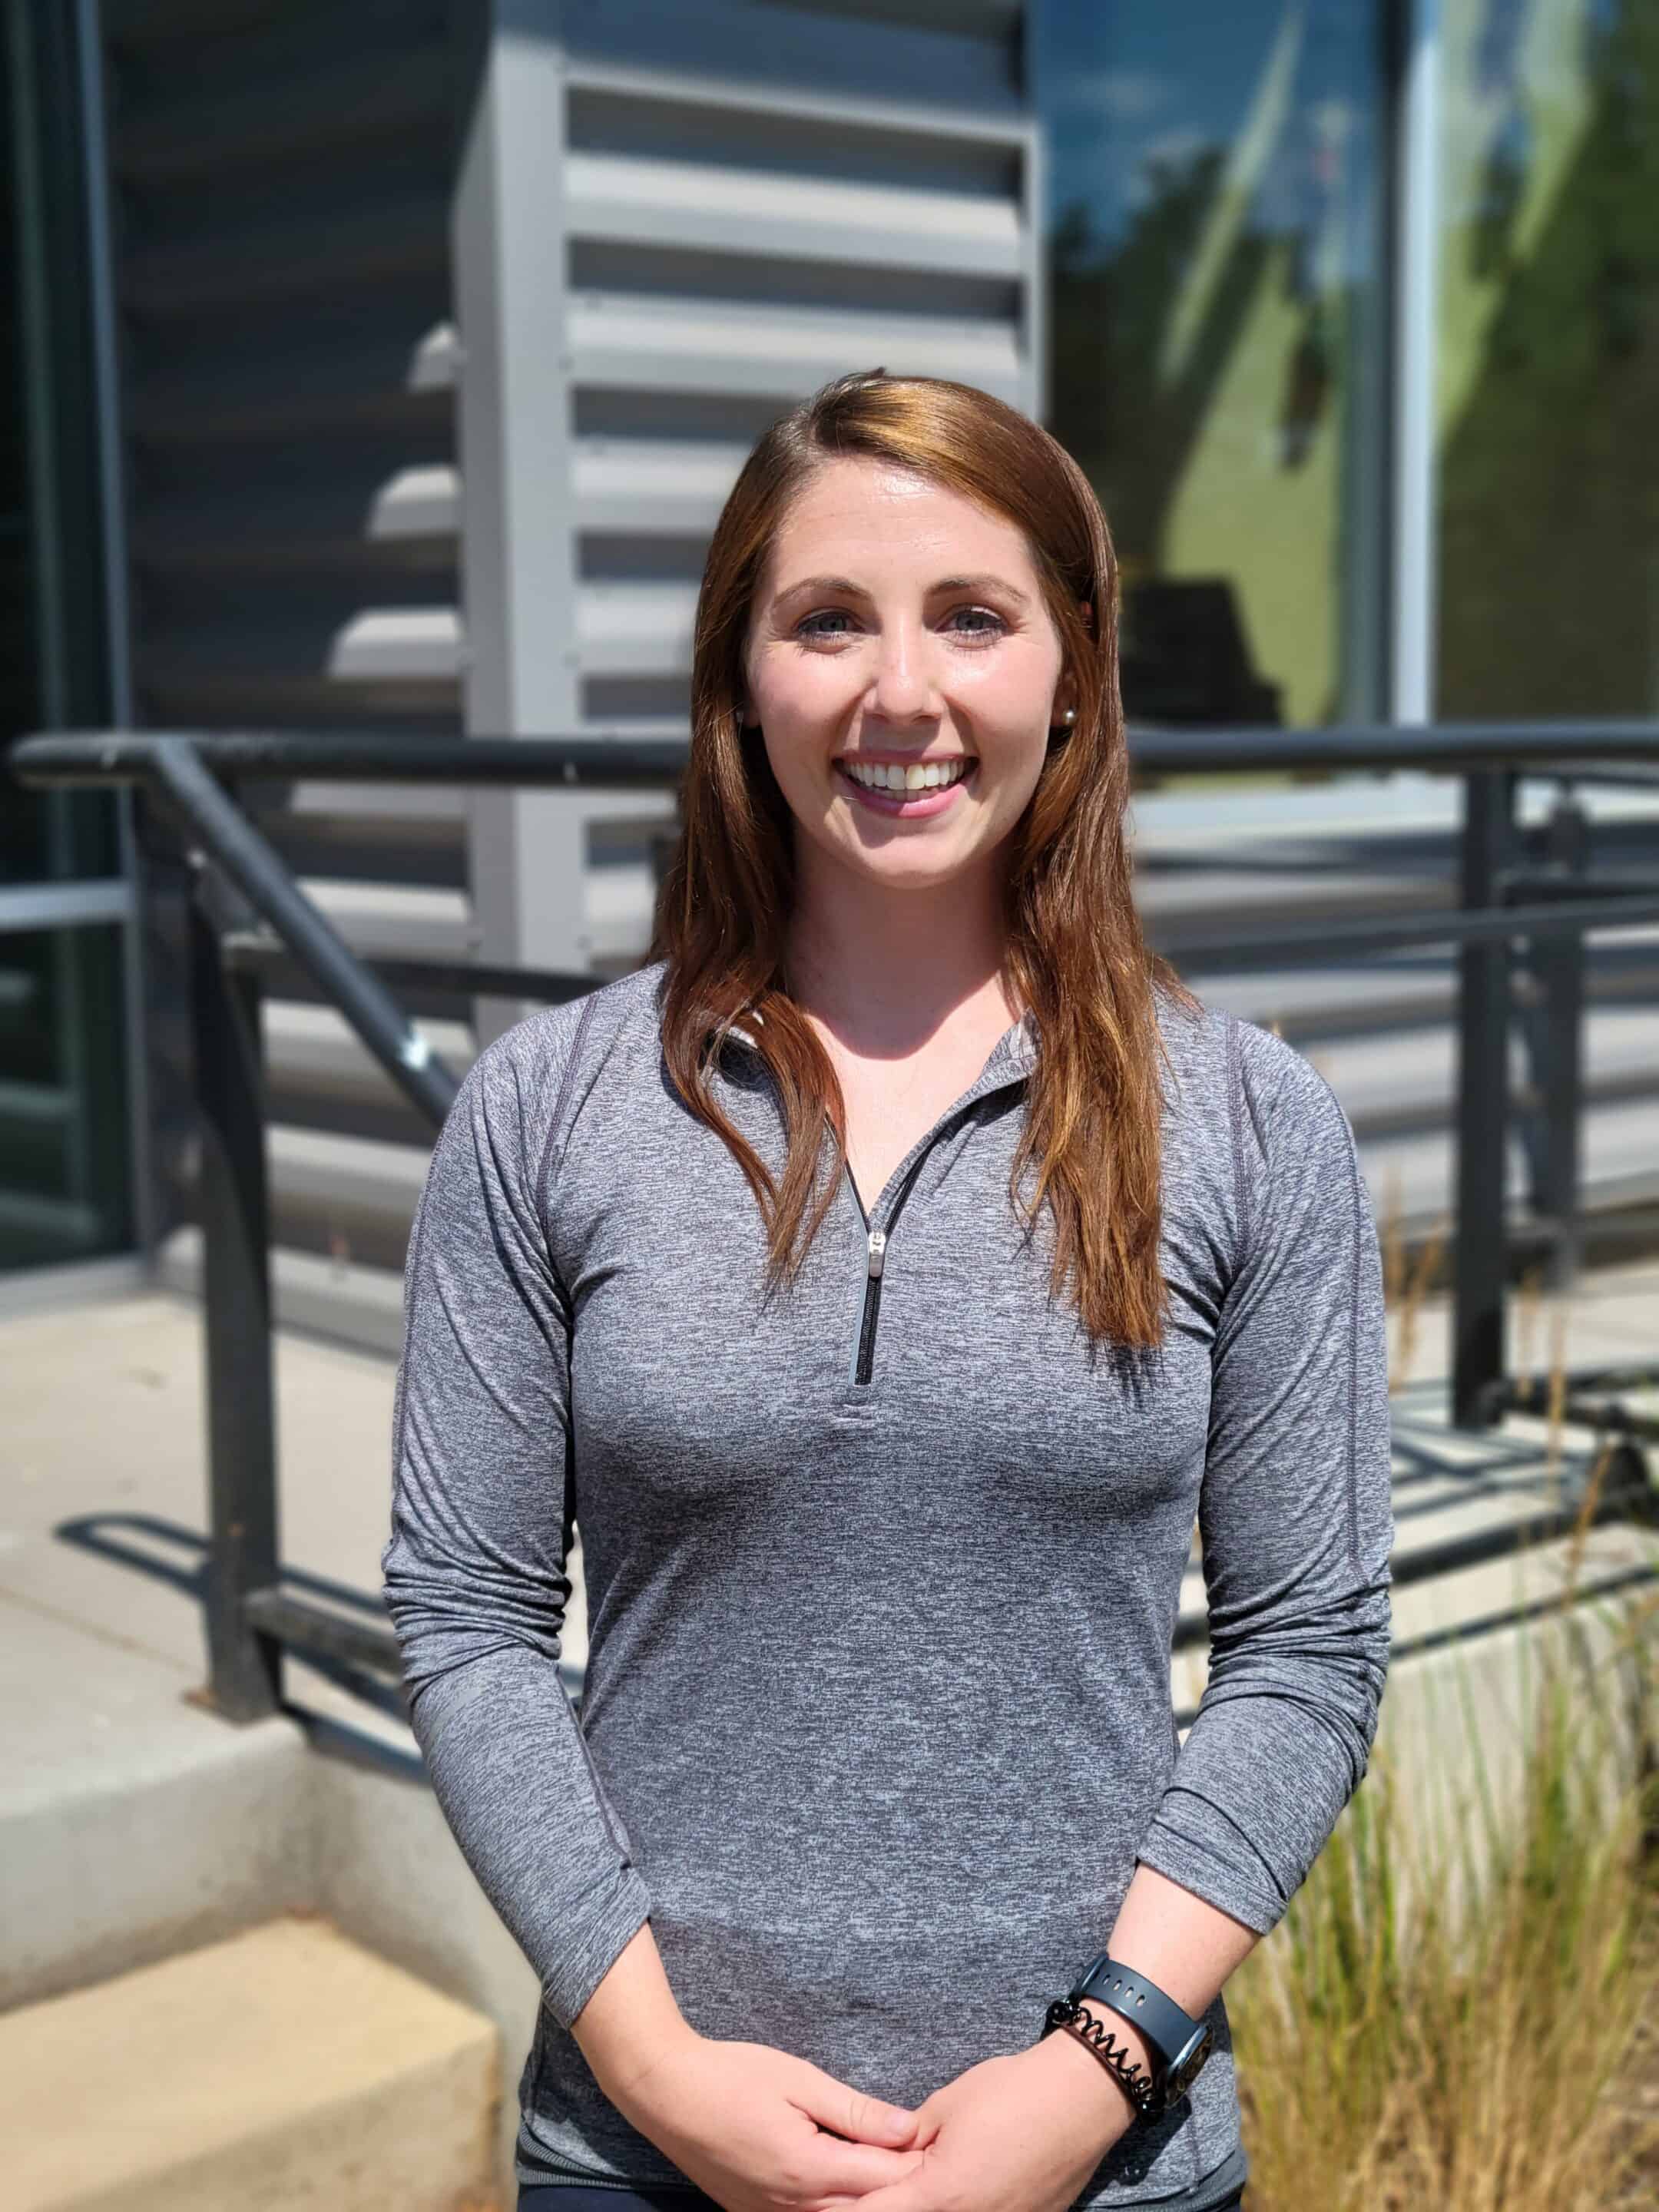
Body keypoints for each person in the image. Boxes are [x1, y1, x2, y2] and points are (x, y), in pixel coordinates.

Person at [380, 369, 1395, 2212]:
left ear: (1074, 671)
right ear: (740, 674)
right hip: (642, 2158)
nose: (900, 693)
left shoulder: (1251, 1123)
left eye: (973, 618)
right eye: (826, 619)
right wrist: (655, 2065)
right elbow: (465, 1619)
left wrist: (1089, 2077)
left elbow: (1309, 1650)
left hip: (1099, 2162)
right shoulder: (550, 1110)